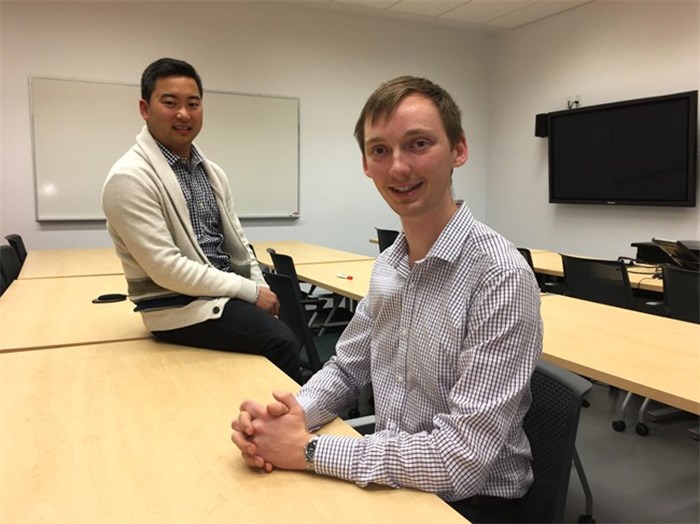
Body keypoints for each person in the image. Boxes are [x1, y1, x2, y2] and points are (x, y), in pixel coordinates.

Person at [230, 76, 543, 523]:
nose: (398, 167)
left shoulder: (501, 278)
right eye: (380, 150)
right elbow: (345, 367)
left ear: (459, 150)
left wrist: (308, 450)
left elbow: (462, 460)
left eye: (418, 144)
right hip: (396, 474)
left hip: (471, 503)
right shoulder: (390, 265)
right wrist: (291, 416)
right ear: (366, 164)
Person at [102, 57, 301, 382]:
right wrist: (249, 292)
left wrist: (262, 289)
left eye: (193, 103)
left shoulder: (212, 173)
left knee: (282, 323)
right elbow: (166, 268)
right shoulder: (129, 178)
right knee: (280, 341)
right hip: (178, 307)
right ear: (144, 108)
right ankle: (290, 425)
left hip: (221, 296)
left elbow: (238, 245)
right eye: (170, 102)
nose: (184, 113)